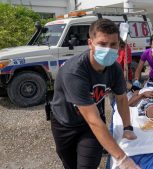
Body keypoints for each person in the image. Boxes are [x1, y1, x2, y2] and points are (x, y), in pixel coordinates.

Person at [50, 19, 140, 169]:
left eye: (113, 44)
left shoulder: (114, 68)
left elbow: (122, 98)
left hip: (90, 127)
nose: (108, 49)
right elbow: (92, 119)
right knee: (70, 165)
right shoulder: (74, 71)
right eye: (102, 44)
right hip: (64, 124)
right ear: (90, 43)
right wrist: (123, 160)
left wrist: (127, 127)